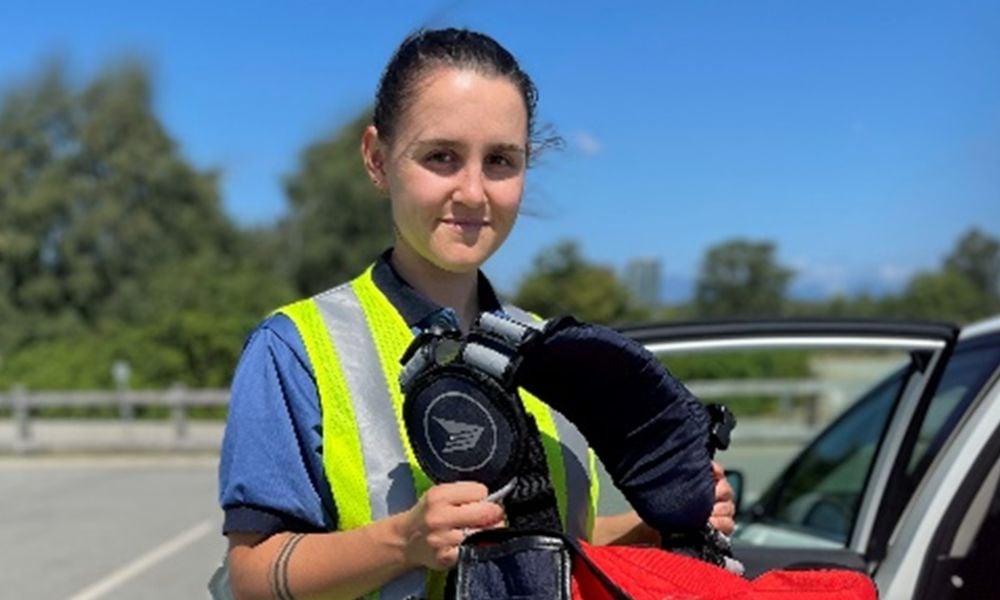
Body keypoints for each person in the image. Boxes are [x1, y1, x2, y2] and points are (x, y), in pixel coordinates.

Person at [217, 28, 735, 600]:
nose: (472, 191)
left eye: (500, 161)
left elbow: (556, 546)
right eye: (441, 156)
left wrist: (656, 531)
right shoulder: (294, 348)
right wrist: (403, 541)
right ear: (377, 158)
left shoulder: (557, 356)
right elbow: (251, 574)